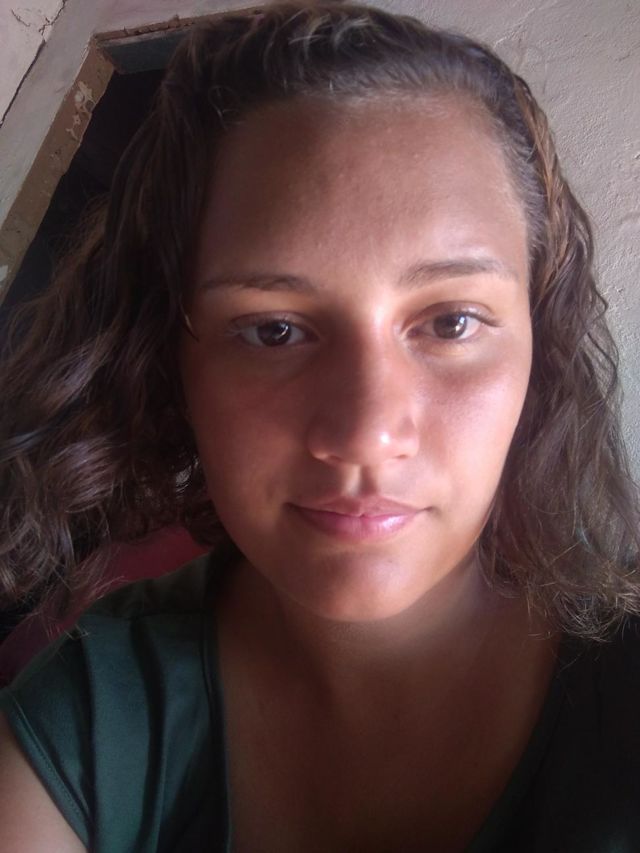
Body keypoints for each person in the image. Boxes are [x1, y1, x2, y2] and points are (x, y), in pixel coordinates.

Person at [1, 2, 639, 850]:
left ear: (539, 348)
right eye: (274, 330)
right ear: (172, 359)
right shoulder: (85, 716)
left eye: (450, 321)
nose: (366, 433)